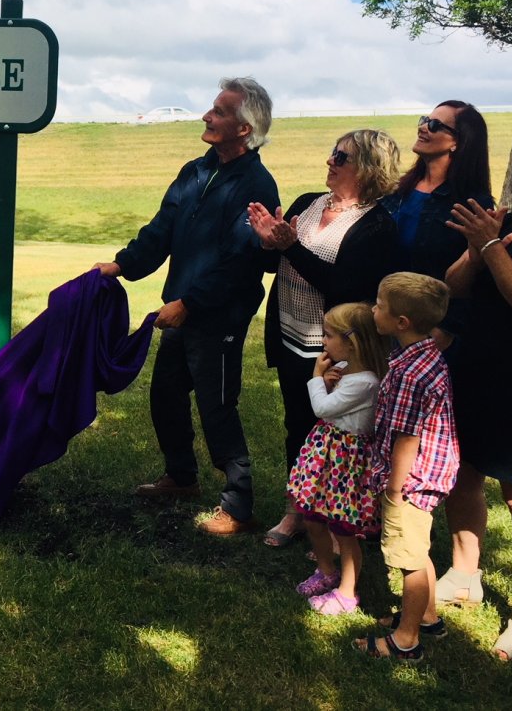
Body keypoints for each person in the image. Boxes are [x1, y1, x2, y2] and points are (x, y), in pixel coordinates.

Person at [96, 76, 279, 536]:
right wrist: (122, 265)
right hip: (180, 308)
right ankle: (180, 478)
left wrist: (189, 303)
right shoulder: (195, 171)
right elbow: (162, 228)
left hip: (218, 316)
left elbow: (240, 263)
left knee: (218, 405)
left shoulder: (256, 185)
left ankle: (239, 507)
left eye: (219, 111)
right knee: (166, 397)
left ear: (244, 128)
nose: (206, 116)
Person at [248, 130, 400, 547]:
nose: (330, 160)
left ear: (367, 169)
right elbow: (274, 262)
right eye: (333, 152)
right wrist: (268, 244)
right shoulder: (307, 203)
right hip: (290, 334)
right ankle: (295, 511)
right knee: (296, 424)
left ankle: (339, 521)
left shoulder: (377, 225)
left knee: (337, 434)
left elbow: (343, 287)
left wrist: (291, 247)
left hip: (336, 349)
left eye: (341, 156)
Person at [441, 132, 512, 660]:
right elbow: (455, 285)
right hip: (478, 372)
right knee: (464, 475)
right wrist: (478, 249)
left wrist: (488, 246)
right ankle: (464, 573)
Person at [355, 273, 458, 663]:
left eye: (379, 305)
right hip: (430, 474)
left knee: (407, 560)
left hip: (411, 481)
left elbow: (406, 438)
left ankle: (406, 639)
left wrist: (395, 489)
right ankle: (428, 616)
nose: (373, 309)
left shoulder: (409, 374)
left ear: (402, 323)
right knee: (420, 548)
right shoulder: (423, 355)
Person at [287, 302, 385, 615]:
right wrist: (330, 381)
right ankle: (326, 570)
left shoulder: (366, 382)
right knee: (313, 516)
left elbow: (323, 409)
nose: (324, 342)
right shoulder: (345, 371)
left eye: (329, 336)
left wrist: (317, 378)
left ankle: (347, 592)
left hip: (346, 463)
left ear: (351, 342)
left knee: (344, 529)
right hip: (326, 456)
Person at [380, 101, 492, 349]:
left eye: (434, 125)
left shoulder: (472, 204)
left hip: (428, 331)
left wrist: (447, 328)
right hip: (385, 319)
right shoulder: (399, 190)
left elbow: (475, 279)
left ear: (457, 143)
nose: (423, 128)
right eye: (424, 120)